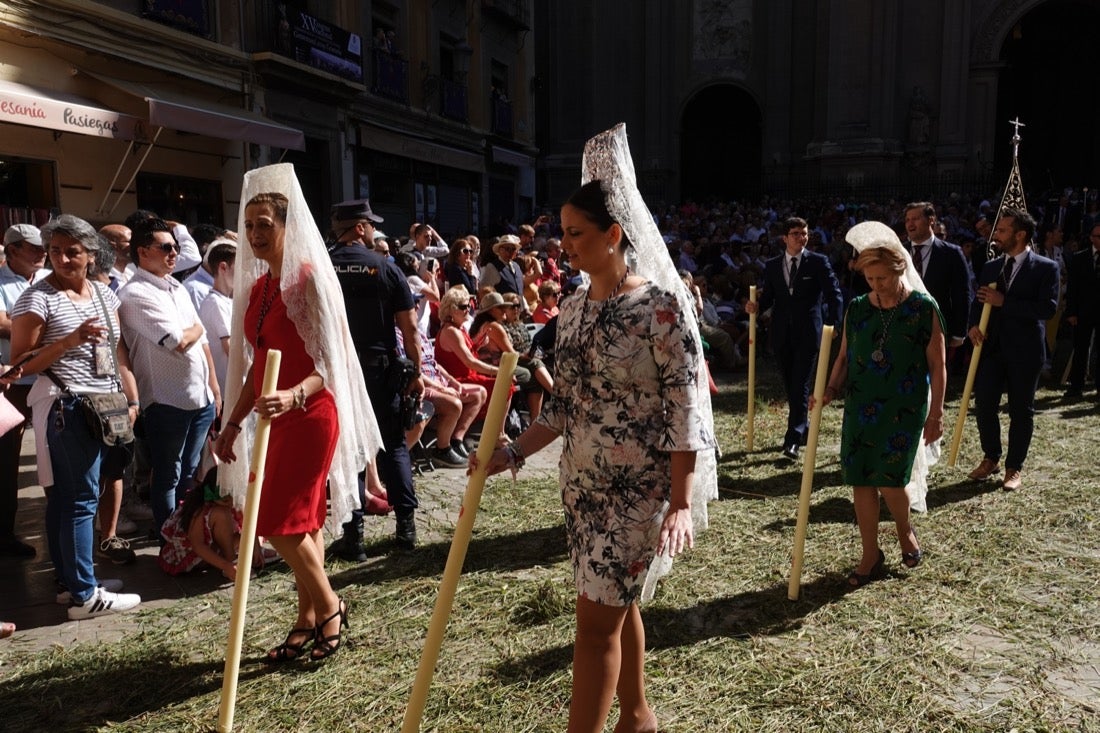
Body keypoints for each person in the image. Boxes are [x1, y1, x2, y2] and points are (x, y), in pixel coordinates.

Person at [473, 124, 717, 733]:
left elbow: (686, 408)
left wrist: (681, 502)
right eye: (562, 233)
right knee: (614, 602)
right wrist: (511, 450)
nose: (565, 246)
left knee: (592, 623)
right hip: (581, 483)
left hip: (639, 488)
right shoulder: (573, 308)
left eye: (576, 234)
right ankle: (637, 714)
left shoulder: (660, 307)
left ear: (614, 235)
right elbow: (564, 405)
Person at [214, 165, 381, 662]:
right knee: (303, 523)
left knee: (278, 523)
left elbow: (332, 362)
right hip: (272, 415)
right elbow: (255, 365)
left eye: (265, 224)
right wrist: (230, 424)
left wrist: (294, 396)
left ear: (288, 226)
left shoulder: (309, 280)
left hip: (312, 413)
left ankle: (329, 604)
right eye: (249, 226)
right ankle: (308, 616)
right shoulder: (259, 289)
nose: (256, 235)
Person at [9, 214, 143, 619]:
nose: (62, 259)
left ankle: (71, 584)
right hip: (67, 407)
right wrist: (70, 340)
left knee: (73, 499)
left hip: (104, 408)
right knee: (79, 500)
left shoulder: (105, 296)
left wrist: (130, 400)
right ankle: (87, 594)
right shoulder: (37, 298)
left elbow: (117, 354)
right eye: (55, 252)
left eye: (72, 252)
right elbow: (20, 364)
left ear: (92, 255)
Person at [818, 223, 946, 587]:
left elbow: (938, 364)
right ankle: (870, 553)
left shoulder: (922, 308)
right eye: (870, 278)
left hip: (903, 406)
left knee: (890, 478)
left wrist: (936, 413)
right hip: (861, 405)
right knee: (860, 478)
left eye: (882, 278)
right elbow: (843, 357)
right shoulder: (858, 308)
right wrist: (830, 388)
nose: (876, 285)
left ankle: (905, 531)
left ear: (899, 268)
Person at [329, 198, 424, 553]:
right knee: (395, 445)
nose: (373, 231)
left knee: (350, 450)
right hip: (381, 370)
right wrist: (415, 370)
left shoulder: (323, 266)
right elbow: (410, 328)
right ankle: (406, 530)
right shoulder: (385, 267)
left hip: (339, 372)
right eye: (370, 225)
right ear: (359, 228)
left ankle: (353, 537)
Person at [118, 219, 220, 538]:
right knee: (168, 474)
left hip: (199, 397)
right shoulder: (133, 293)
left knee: (188, 472)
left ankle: (184, 533)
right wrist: (195, 329)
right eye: (166, 247)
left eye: (175, 246)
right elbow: (178, 340)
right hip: (166, 399)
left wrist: (214, 387)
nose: (174, 252)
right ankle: (168, 537)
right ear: (143, 252)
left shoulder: (176, 286)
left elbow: (199, 339)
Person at [966, 207, 1060, 492]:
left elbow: (1047, 308)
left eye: (1003, 230)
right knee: (984, 405)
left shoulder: (1046, 267)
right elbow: (979, 300)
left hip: (1025, 351)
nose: (996, 235)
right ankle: (991, 457)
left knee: (1021, 410)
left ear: (1020, 235)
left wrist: (1003, 302)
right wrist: (972, 324)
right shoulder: (992, 266)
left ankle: (1013, 466)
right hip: (992, 348)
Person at [745, 216, 843, 460]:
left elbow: (834, 294)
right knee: (792, 386)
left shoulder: (818, 262)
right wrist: (755, 306)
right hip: (781, 333)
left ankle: (792, 440)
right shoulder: (772, 265)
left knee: (800, 384)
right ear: (785, 238)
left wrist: (835, 323)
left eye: (805, 233)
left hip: (809, 332)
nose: (802, 237)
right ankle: (804, 428)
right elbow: (770, 297)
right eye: (796, 233)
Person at [0, 223, 47, 557]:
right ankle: (4, 533)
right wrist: (42, 332)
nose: (42, 253)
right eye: (33, 247)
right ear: (12, 249)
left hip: (46, 379)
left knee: (52, 452)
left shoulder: (44, 281)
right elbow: (3, 324)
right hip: (11, 383)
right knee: (6, 462)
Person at [902, 202, 973, 359]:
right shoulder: (899, 252)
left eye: (915, 218)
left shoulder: (952, 253)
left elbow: (961, 294)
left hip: (936, 328)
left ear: (931, 220)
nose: (910, 223)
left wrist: (959, 332)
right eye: (907, 220)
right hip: (901, 327)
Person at [470, 291, 552, 420]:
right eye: (500, 307)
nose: (505, 310)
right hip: (492, 368)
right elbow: (512, 354)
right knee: (532, 376)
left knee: (535, 364)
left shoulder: (483, 325)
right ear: (491, 311)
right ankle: (538, 419)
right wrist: (528, 355)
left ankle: (542, 413)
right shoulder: (494, 327)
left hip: (495, 364)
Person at [1063, 223, 1100, 398]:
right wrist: (1071, 312)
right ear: (1092, 238)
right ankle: (1076, 385)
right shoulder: (1079, 258)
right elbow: (1073, 288)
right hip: (1082, 312)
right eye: (1098, 236)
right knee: (1080, 349)